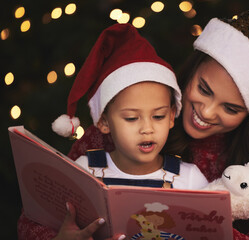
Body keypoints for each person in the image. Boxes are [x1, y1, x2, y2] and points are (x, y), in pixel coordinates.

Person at [18, 8, 249, 240]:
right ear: (192, 71)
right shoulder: (132, 117)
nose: (207, 112)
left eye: (230, 108)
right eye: (203, 89)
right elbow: (36, 218)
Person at [17, 23, 208, 240]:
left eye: (158, 116)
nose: (147, 128)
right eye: (131, 118)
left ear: (172, 116)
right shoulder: (84, 171)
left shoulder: (190, 179)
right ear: (104, 122)